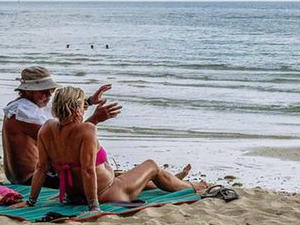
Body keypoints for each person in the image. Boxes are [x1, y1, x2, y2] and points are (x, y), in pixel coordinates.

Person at [20, 86, 204, 212]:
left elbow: (41, 168)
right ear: (77, 110)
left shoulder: (46, 128)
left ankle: (171, 179)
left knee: (125, 174)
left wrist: (31, 202)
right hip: (109, 192)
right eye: (82, 106)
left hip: (74, 195)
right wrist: (94, 206)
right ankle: (192, 187)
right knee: (152, 166)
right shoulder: (87, 130)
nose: (85, 109)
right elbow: (87, 170)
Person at [1, 66, 120, 184]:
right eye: (43, 91)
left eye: (51, 90)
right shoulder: (24, 113)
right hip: (32, 178)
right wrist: (95, 119)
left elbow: (62, 112)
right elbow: (67, 144)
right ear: (27, 90)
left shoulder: (24, 106)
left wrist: (88, 101)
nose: (48, 95)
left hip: (29, 175)